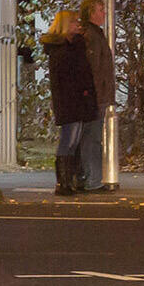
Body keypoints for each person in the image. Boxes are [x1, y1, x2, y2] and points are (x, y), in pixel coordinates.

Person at [41, 10, 99, 196]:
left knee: (74, 140)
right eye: (74, 22)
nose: (78, 25)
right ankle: (63, 182)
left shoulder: (74, 46)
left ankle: (69, 180)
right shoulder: (61, 49)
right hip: (69, 101)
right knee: (69, 140)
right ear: (66, 24)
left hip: (77, 99)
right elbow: (66, 77)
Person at [78, 0, 116, 192]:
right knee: (92, 138)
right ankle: (92, 180)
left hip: (97, 95)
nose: (104, 14)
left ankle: (90, 178)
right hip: (95, 96)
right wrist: (95, 93)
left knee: (91, 138)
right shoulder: (92, 36)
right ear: (91, 13)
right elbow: (93, 68)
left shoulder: (94, 34)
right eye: (101, 10)